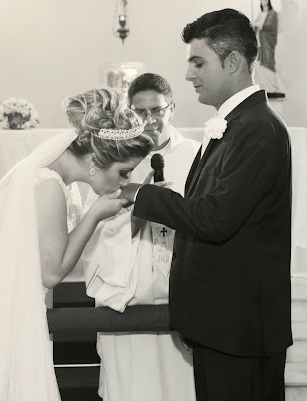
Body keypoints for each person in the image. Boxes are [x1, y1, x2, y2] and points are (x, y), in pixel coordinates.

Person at [0, 87, 152, 400]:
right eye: (124, 172)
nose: (125, 181)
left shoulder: (51, 177)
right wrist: (95, 215)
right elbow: (51, 273)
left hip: (9, 310)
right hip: (10, 322)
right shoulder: (48, 186)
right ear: (97, 157)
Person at [120, 9, 293, 401]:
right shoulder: (234, 125)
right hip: (219, 322)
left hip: (239, 328)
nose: (188, 74)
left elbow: (215, 219)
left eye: (198, 63)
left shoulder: (258, 129)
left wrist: (140, 194)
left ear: (232, 62)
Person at [81, 73, 200, 401]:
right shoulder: (114, 157)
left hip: (178, 287)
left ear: (171, 109)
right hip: (126, 289)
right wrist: (135, 205)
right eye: (140, 111)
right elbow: (94, 225)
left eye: (157, 110)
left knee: (181, 385)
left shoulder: (198, 155)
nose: (149, 120)